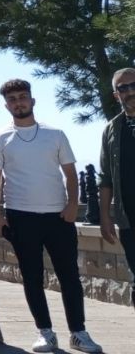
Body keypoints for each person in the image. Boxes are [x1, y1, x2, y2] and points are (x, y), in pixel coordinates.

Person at [0, 79, 102, 353]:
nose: (19, 102)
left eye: (23, 97)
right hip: (21, 217)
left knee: (69, 277)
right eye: (13, 99)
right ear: (7, 105)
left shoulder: (56, 134)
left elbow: (71, 174)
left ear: (33, 100)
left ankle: (79, 332)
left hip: (58, 217)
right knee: (32, 276)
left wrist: (72, 204)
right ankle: (45, 333)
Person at [99, 67, 135, 307]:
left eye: (134, 86)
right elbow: (105, 177)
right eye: (123, 88)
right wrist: (104, 216)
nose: (130, 91)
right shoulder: (112, 129)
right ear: (116, 95)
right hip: (129, 219)